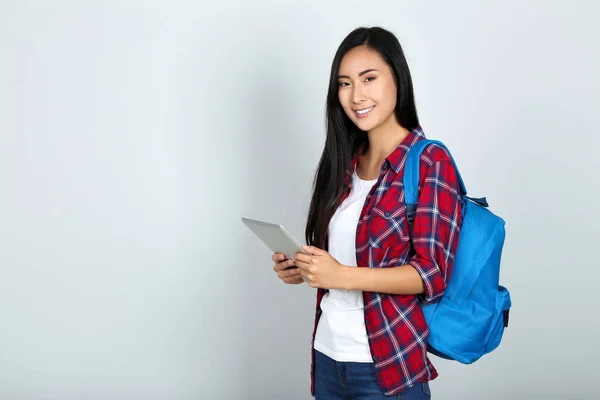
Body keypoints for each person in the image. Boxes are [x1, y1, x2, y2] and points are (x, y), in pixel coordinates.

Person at [272, 26, 463, 399]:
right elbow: (340, 260)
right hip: (328, 357)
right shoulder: (344, 164)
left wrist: (342, 275)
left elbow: (431, 273)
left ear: (398, 79)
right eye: (344, 83)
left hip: (386, 365)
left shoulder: (428, 162)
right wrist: (304, 268)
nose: (356, 95)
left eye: (369, 78)